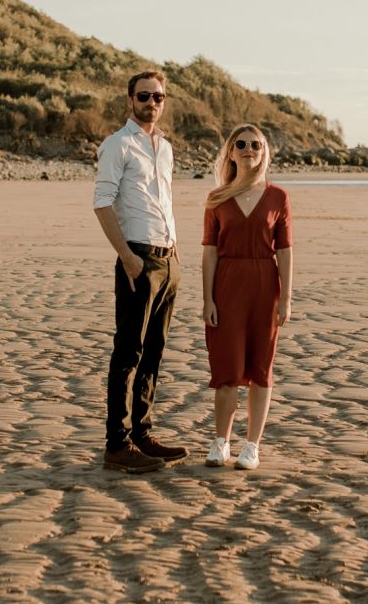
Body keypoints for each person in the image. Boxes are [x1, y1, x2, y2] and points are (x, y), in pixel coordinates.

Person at [93, 70, 187, 474]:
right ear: (130, 99)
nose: (152, 103)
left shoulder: (163, 147)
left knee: (154, 351)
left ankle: (142, 434)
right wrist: (127, 256)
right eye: (144, 96)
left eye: (159, 97)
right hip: (138, 260)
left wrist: (175, 250)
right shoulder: (118, 145)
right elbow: (102, 203)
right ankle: (117, 445)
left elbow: (162, 200)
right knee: (128, 352)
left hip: (168, 261)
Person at [202, 124, 293, 469]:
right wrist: (207, 299)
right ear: (230, 152)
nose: (248, 149)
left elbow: (284, 251)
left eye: (255, 144)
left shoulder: (278, 197)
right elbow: (209, 252)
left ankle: (251, 445)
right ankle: (220, 441)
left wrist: (286, 298)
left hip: (265, 285)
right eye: (240, 144)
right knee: (226, 366)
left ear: (264, 151)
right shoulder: (217, 198)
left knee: (260, 367)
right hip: (227, 285)